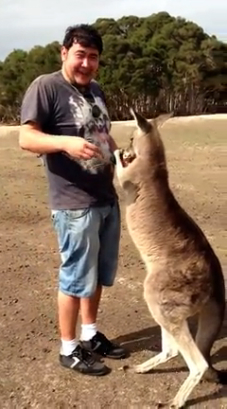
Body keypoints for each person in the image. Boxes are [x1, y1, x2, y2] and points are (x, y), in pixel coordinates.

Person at [19, 24, 126, 376]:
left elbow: (102, 134)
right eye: (80, 55)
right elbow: (27, 138)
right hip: (73, 203)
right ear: (64, 53)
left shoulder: (96, 90)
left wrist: (118, 156)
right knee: (75, 276)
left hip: (105, 196)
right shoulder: (46, 86)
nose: (86, 63)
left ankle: (91, 334)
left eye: (93, 57)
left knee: (95, 275)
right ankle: (69, 348)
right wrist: (65, 143)